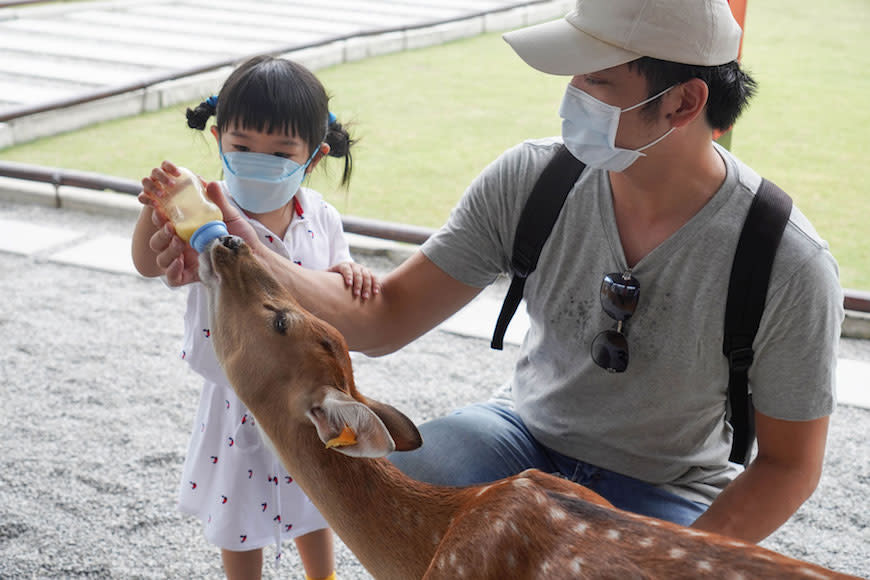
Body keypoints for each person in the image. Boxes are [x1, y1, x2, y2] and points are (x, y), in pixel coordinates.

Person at [142, 1, 843, 545]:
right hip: (520, 435)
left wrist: (674, 562)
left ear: (685, 102)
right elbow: (384, 317)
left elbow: (789, 466)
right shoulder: (532, 179)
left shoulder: (785, 262)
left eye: (596, 82)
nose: (572, 97)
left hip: (666, 485)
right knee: (386, 482)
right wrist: (240, 242)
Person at [131, 55, 378, 580]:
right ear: (219, 139)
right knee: (239, 504)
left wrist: (351, 270)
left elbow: (335, 273)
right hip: (238, 393)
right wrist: (154, 212)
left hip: (310, 389)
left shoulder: (321, 217)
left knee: (317, 491)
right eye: (241, 147)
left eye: (280, 151)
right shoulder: (203, 213)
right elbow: (145, 263)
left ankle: (323, 576)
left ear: (312, 158)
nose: (257, 160)